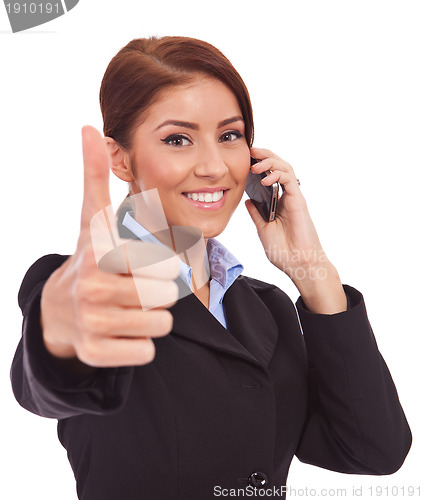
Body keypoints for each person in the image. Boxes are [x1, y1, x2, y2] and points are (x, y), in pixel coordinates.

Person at [11, 36, 412, 500]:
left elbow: (373, 451)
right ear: (120, 158)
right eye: (178, 139)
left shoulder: (267, 307)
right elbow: (52, 384)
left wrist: (312, 269)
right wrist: (59, 335)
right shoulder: (87, 290)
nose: (214, 166)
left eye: (229, 136)